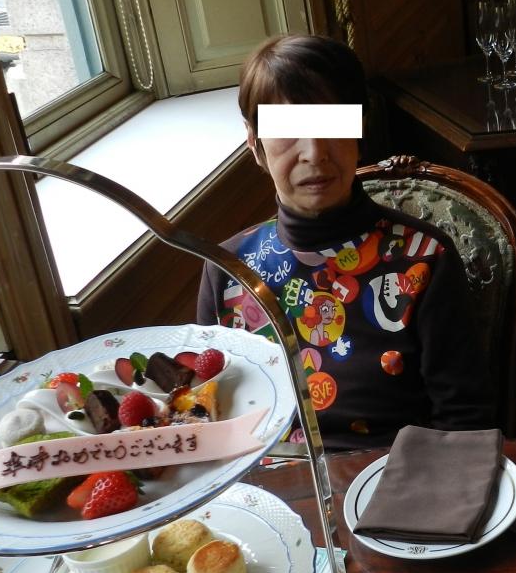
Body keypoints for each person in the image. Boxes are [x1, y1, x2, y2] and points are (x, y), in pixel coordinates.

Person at [197, 34, 495, 447]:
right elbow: (210, 413)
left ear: (359, 130)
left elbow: (464, 420)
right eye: (288, 132)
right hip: (265, 479)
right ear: (255, 143)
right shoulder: (228, 269)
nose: (314, 153)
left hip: (393, 475)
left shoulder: (425, 258)